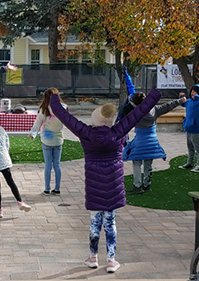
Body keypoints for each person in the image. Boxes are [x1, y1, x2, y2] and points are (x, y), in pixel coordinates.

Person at [49, 87, 161, 273]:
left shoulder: (85, 132)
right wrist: (154, 95)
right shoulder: (119, 130)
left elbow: (65, 117)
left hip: (94, 186)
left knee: (95, 223)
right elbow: (138, 112)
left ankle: (93, 257)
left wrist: (53, 99)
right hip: (114, 186)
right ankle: (111, 260)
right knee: (110, 223)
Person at [123, 92, 186, 194]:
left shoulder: (135, 112)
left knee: (136, 162)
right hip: (152, 141)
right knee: (148, 163)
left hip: (140, 141)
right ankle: (147, 184)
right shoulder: (154, 109)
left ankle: (137, 186)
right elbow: (168, 106)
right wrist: (180, 100)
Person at [28, 88, 67, 195]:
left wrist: (33, 134)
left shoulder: (44, 109)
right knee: (57, 164)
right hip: (58, 139)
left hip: (46, 139)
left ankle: (47, 188)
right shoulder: (64, 108)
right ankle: (57, 188)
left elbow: (37, 124)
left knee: (48, 165)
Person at [178, 85, 199, 173]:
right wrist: (181, 97)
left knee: (198, 147)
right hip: (188, 127)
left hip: (196, 128)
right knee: (190, 147)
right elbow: (183, 104)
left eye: (195, 92)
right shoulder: (189, 101)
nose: (193, 93)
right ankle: (190, 162)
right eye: (192, 91)